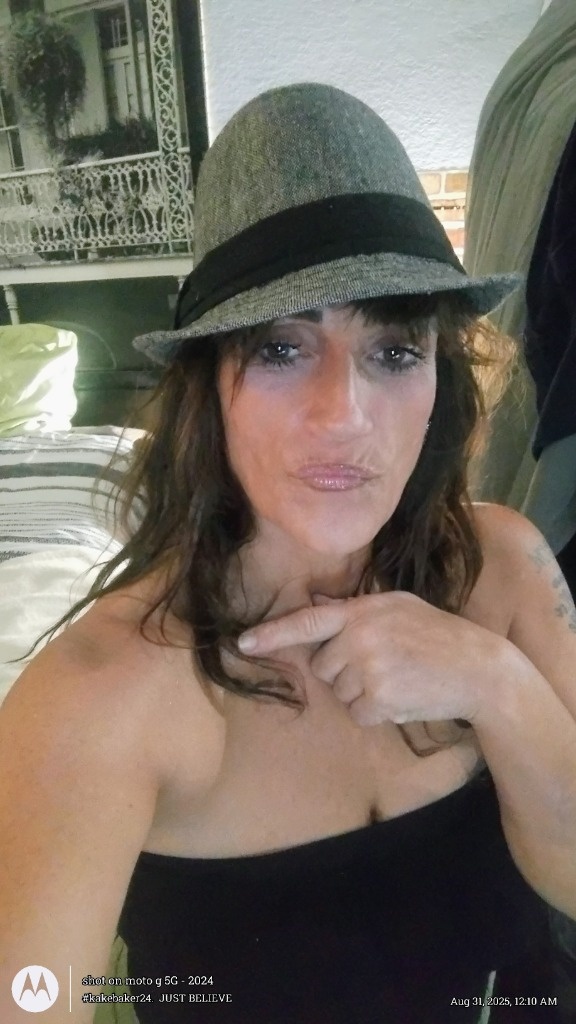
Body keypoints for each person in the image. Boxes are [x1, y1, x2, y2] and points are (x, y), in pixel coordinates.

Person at [1, 83, 576, 1024]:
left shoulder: (501, 570)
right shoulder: (99, 698)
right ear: (208, 386)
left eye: (395, 352)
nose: (343, 416)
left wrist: (498, 685)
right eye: (280, 348)